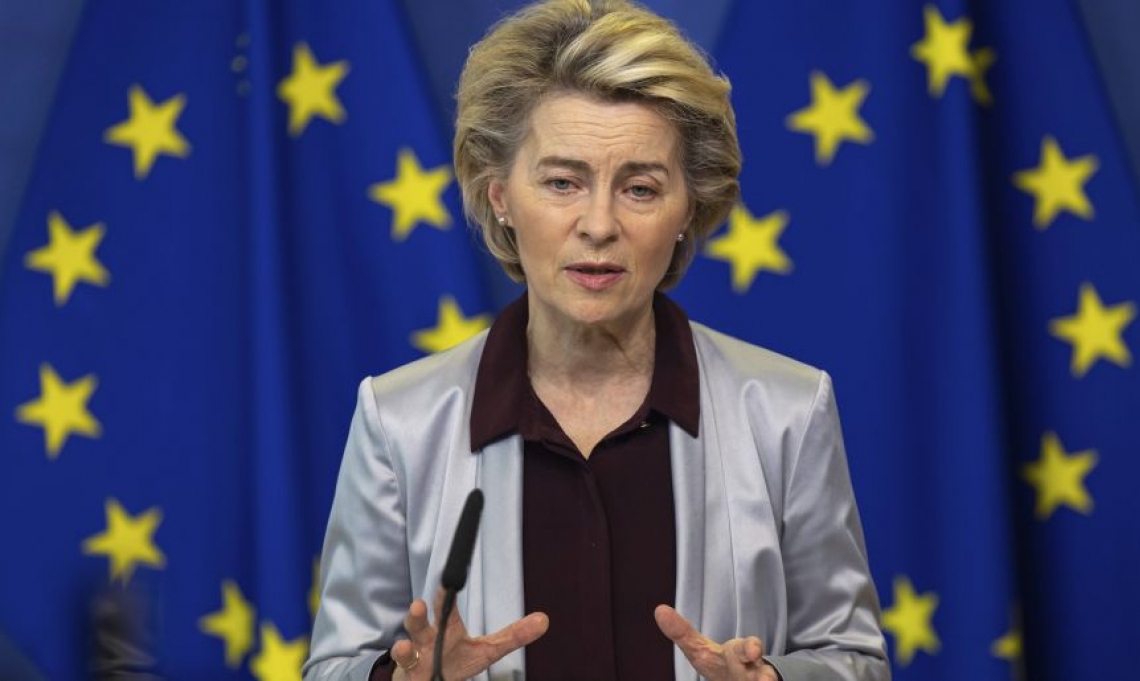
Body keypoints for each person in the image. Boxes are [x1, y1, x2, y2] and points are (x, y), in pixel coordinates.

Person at [303, 0, 889, 679]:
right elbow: (334, 665)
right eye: (562, 182)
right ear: (499, 195)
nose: (599, 224)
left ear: (689, 207)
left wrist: (772, 679)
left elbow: (854, 658)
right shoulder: (399, 421)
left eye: (640, 188)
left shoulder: (786, 411)